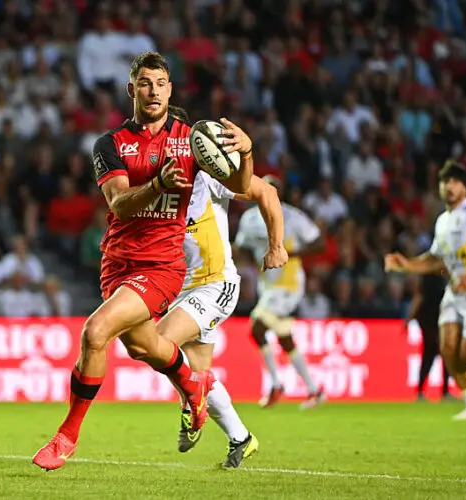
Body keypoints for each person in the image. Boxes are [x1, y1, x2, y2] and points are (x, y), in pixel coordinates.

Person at [33, 52, 254, 470]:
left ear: (171, 89)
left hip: (162, 266)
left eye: (161, 83)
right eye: (145, 83)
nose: (153, 91)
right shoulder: (110, 144)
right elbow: (120, 202)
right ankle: (193, 385)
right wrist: (158, 184)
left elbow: (243, 187)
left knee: (95, 332)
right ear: (131, 89)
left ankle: (66, 436)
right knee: (142, 346)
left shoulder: (192, 139)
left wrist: (247, 152)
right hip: (118, 263)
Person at [145, 105, 287, 468]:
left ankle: (192, 409)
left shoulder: (209, 174)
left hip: (215, 285)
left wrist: (276, 246)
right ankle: (241, 438)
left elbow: (267, 195)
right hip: (181, 290)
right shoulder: (155, 181)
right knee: (195, 373)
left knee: (157, 343)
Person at [385, 160, 466, 421]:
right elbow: (438, 260)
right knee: (447, 348)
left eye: (455, 182)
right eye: (445, 182)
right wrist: (408, 265)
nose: (449, 187)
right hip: (455, 290)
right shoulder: (443, 221)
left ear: (465, 187)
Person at [235, 176, 326, 409]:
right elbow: (243, 248)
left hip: (289, 283)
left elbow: (319, 243)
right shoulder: (249, 219)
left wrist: (288, 254)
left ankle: (276, 384)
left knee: (257, 328)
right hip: (266, 285)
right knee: (285, 339)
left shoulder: (293, 217)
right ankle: (314, 390)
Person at [405, 272, 454, 401]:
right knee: (433, 354)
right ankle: (440, 392)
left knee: (433, 355)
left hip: (438, 320)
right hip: (430, 320)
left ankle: (426, 391)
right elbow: (419, 296)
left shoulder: (441, 276)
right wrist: (409, 317)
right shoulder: (432, 278)